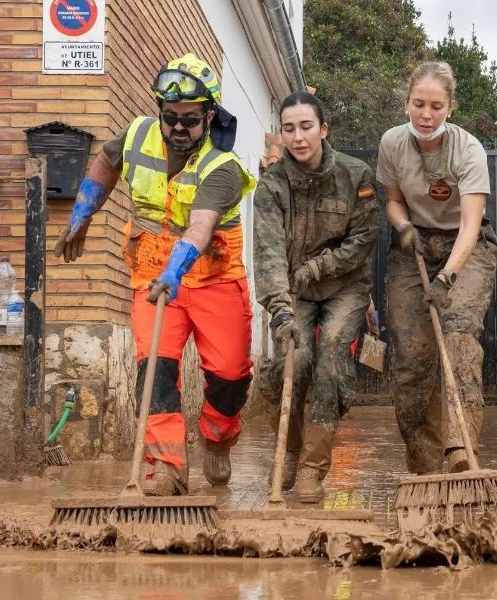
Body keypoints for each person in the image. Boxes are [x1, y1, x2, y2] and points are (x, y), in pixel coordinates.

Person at [54, 53, 256, 495]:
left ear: (210, 115)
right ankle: (166, 466)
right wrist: (82, 215)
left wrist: (176, 269)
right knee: (155, 372)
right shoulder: (138, 135)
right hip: (151, 278)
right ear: (159, 112)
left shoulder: (222, 166)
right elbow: (106, 163)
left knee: (229, 376)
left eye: (189, 119)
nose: (178, 128)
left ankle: (217, 438)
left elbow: (201, 226)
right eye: (170, 118)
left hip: (213, 279)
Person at [253, 91, 380, 503]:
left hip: (346, 286)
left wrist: (320, 266)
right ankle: (289, 450)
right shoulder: (272, 186)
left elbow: (364, 238)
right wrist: (280, 312)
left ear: (323, 129)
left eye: (306, 127)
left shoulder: (355, 175)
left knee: (330, 360)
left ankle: (313, 466)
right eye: (289, 129)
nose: (298, 137)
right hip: (294, 290)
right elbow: (269, 253)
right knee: (296, 357)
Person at [376, 61, 497, 475]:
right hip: (413, 245)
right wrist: (404, 225)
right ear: (406, 102)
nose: (426, 115)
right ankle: (424, 458)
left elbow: (469, 224)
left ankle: (461, 450)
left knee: (459, 334)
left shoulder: (468, 150)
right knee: (412, 354)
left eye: (436, 106)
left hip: (466, 247)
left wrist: (447, 275)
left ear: (451, 108)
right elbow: (393, 199)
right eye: (418, 104)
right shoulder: (392, 143)